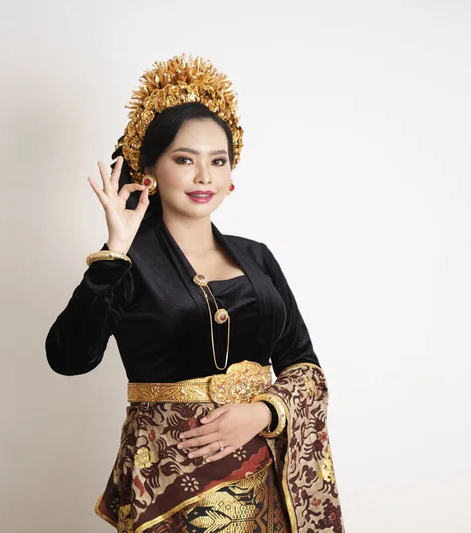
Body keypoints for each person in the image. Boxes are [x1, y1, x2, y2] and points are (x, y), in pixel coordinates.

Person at [45, 54, 344, 533]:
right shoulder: (126, 262)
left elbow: (303, 364)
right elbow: (68, 358)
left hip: (268, 475)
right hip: (173, 486)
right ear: (151, 171)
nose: (204, 176)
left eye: (217, 161)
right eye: (185, 160)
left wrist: (262, 412)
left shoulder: (258, 257)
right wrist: (115, 252)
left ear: (230, 175)